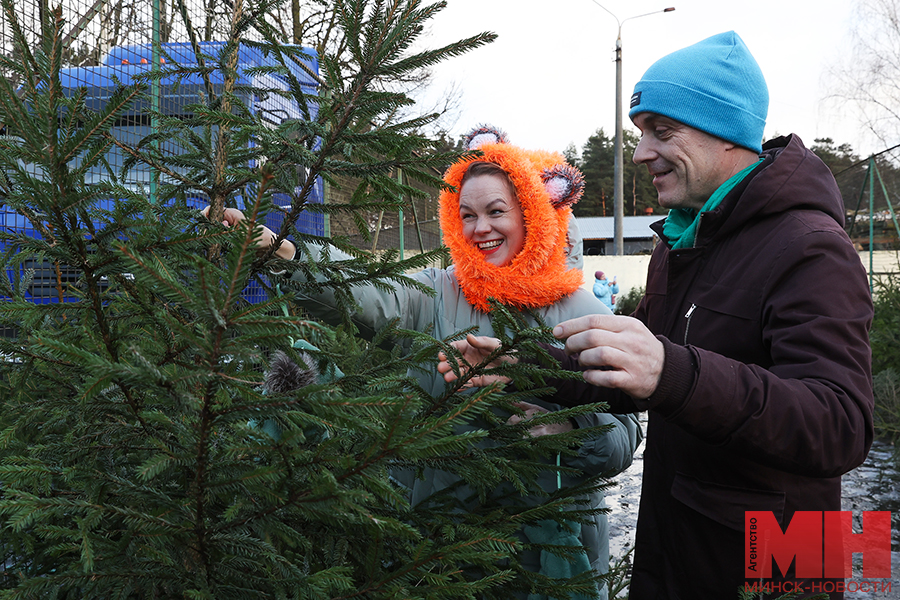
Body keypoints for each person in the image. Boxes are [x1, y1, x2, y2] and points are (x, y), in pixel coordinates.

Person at [437, 33, 874, 600]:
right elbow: (639, 370)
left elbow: (843, 427)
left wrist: (675, 372)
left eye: (662, 132)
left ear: (726, 135)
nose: (641, 152)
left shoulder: (812, 245)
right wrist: (527, 367)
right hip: (684, 537)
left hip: (788, 557)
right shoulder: (682, 240)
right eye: (642, 132)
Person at [204, 126, 642, 599]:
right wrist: (283, 251)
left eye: (497, 212)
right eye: (467, 214)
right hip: (440, 548)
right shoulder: (438, 291)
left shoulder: (583, 311)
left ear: (533, 214)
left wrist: (568, 433)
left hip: (546, 562)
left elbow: (625, 436)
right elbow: (364, 290)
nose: (481, 228)